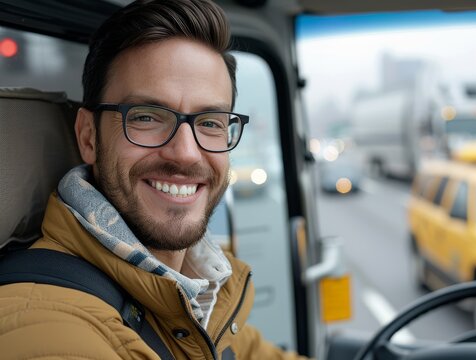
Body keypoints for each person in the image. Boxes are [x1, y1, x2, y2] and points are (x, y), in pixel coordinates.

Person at [0, 0, 307, 359]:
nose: (186, 153)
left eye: (210, 123)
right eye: (146, 117)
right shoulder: (44, 326)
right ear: (88, 137)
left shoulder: (201, 292)